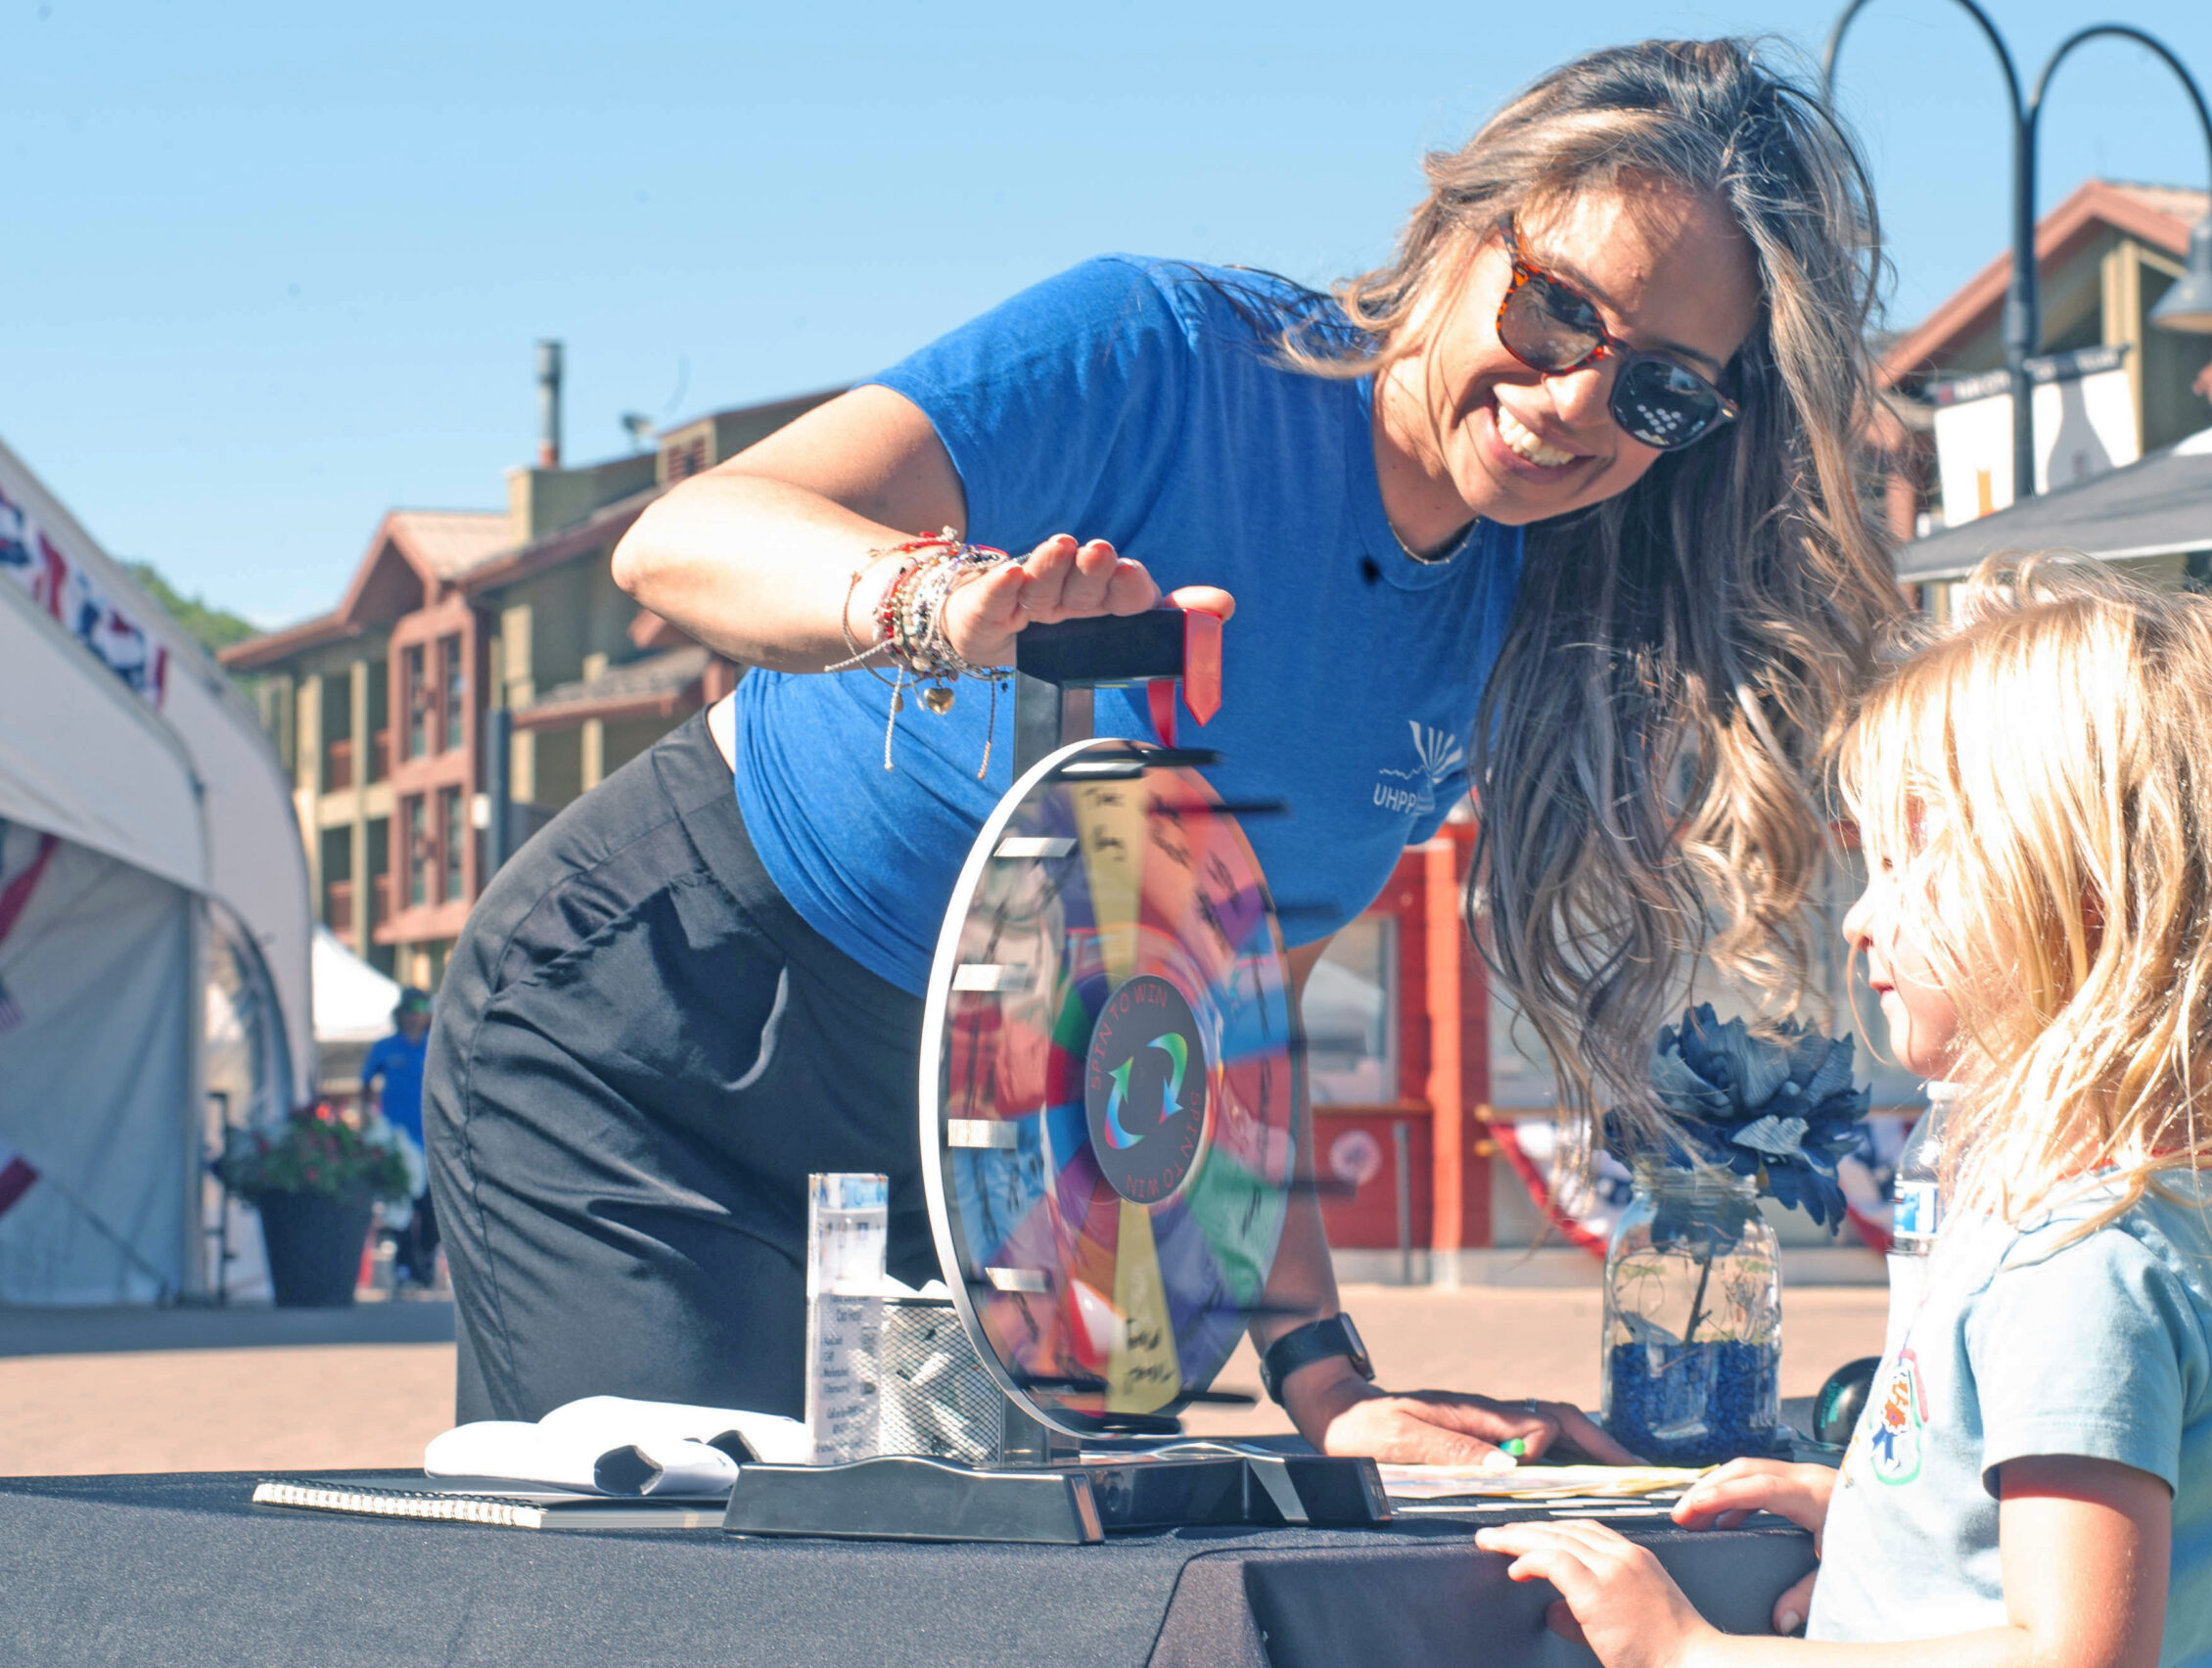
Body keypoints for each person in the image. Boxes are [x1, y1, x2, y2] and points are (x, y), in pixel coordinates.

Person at [425, 38, 1903, 1458]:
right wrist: (940, 603)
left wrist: (1329, 1384)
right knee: (684, 1576)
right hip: (664, 1035)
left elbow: (1240, 1007)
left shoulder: (1525, 607)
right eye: (1556, 312)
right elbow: (681, 544)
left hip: (995, 1158)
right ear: (1457, 227)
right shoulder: (1167, 352)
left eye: (1655, 390)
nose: (1574, 399)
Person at [1478, 556, 2212, 1666]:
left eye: (1905, 868)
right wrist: (1889, 1528)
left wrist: (1693, 1653)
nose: (1861, 922)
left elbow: (2075, 1654)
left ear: (2080, 898)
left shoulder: (2072, 1267)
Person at [363, 988, 438, 1289]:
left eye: (419, 1010)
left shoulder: (434, 1046)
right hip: (399, 1142)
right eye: (408, 1010)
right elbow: (366, 1084)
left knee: (430, 1208)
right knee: (400, 1207)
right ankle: (405, 1267)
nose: (413, 1016)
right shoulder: (385, 1047)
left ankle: (427, 1260)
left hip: (431, 1139)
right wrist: (371, 1124)